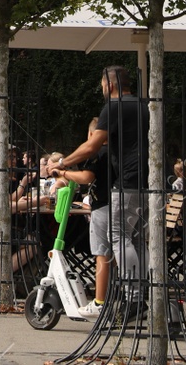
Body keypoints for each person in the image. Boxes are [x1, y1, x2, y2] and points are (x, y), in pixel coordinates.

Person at [58, 65, 148, 318]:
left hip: (129, 180)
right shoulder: (144, 105)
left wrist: (62, 163)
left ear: (109, 85)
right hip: (150, 181)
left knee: (118, 236)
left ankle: (134, 299)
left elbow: (91, 147)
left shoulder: (114, 107)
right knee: (137, 239)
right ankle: (141, 294)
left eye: (102, 86)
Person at [54, 118, 110, 318]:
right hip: (114, 204)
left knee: (101, 252)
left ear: (92, 136)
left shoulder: (98, 154)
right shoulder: (115, 153)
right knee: (112, 252)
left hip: (103, 205)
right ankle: (111, 297)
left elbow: (86, 177)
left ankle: (99, 301)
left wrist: (65, 173)